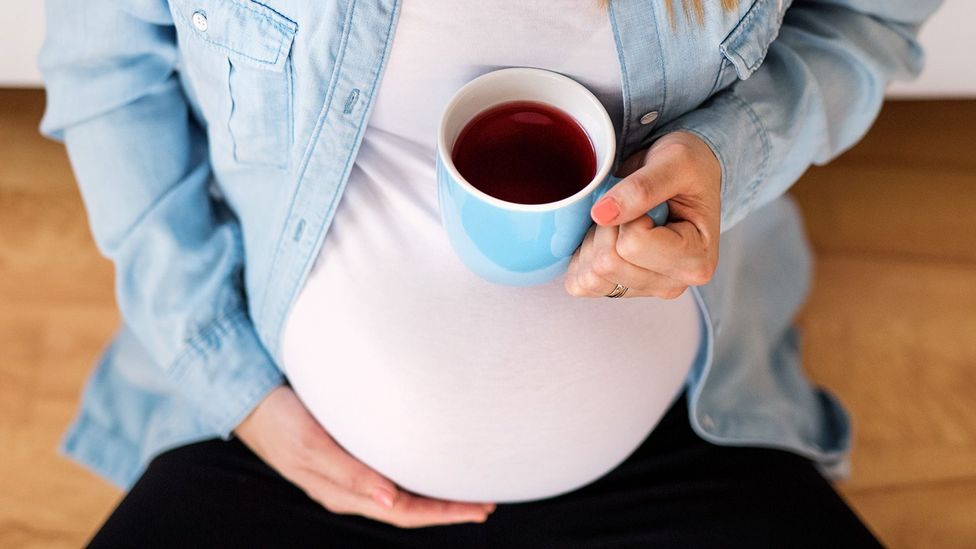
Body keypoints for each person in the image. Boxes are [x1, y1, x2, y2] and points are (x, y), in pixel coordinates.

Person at [38, 0, 939, 546]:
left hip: (680, 434)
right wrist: (231, 384)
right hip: (286, 438)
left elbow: (866, 19)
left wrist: (728, 157)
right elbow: (107, 74)